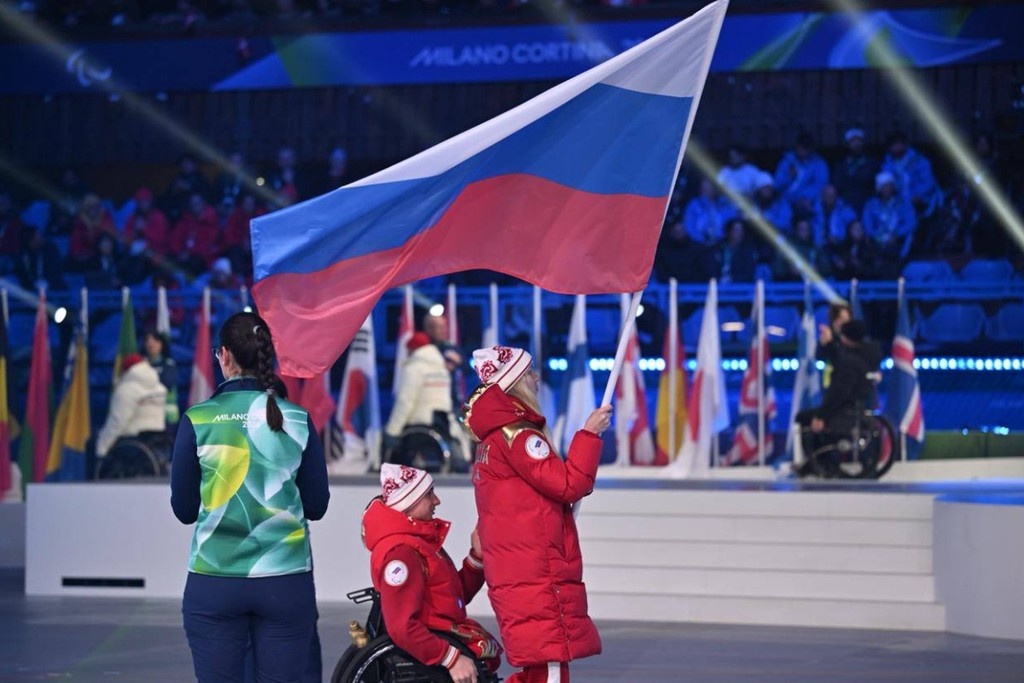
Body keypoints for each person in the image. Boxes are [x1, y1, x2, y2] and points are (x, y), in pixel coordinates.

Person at [170, 312, 330, 683]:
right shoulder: (297, 417)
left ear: (224, 355)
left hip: (215, 581)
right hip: (285, 581)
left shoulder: (199, 418)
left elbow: (183, 510)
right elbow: (317, 506)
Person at [462, 345, 612, 683]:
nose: (537, 378)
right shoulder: (519, 436)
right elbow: (570, 486)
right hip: (538, 572)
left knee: (538, 670)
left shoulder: (491, 441)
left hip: (518, 570)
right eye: (530, 372)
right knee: (550, 670)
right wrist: (590, 434)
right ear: (515, 382)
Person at [361, 463, 502, 683]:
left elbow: (450, 599)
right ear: (409, 503)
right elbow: (402, 627)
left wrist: (477, 557)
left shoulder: (417, 543)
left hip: (441, 635)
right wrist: (451, 659)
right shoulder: (402, 555)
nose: (437, 501)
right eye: (429, 495)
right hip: (433, 648)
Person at [795, 319, 880, 478]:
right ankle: (819, 462)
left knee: (803, 417)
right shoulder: (865, 356)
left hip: (845, 411)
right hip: (858, 407)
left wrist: (821, 416)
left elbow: (839, 393)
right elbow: (838, 359)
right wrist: (828, 344)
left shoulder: (850, 363)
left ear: (846, 338)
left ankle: (820, 463)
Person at [383, 331, 453, 466]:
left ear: (413, 349)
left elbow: (405, 401)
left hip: (419, 423)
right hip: (441, 421)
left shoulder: (414, 368)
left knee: (391, 443)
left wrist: (392, 430)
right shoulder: (441, 369)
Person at [96, 353, 168, 458]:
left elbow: (117, 421)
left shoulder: (127, 390)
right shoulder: (160, 387)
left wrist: (101, 448)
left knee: (92, 443)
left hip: (132, 439)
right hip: (156, 436)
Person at [144, 330, 180, 426]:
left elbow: (166, 384)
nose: (150, 343)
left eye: (154, 340)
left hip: (166, 416)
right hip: (146, 415)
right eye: (147, 340)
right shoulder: (142, 365)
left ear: (161, 344)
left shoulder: (169, 364)